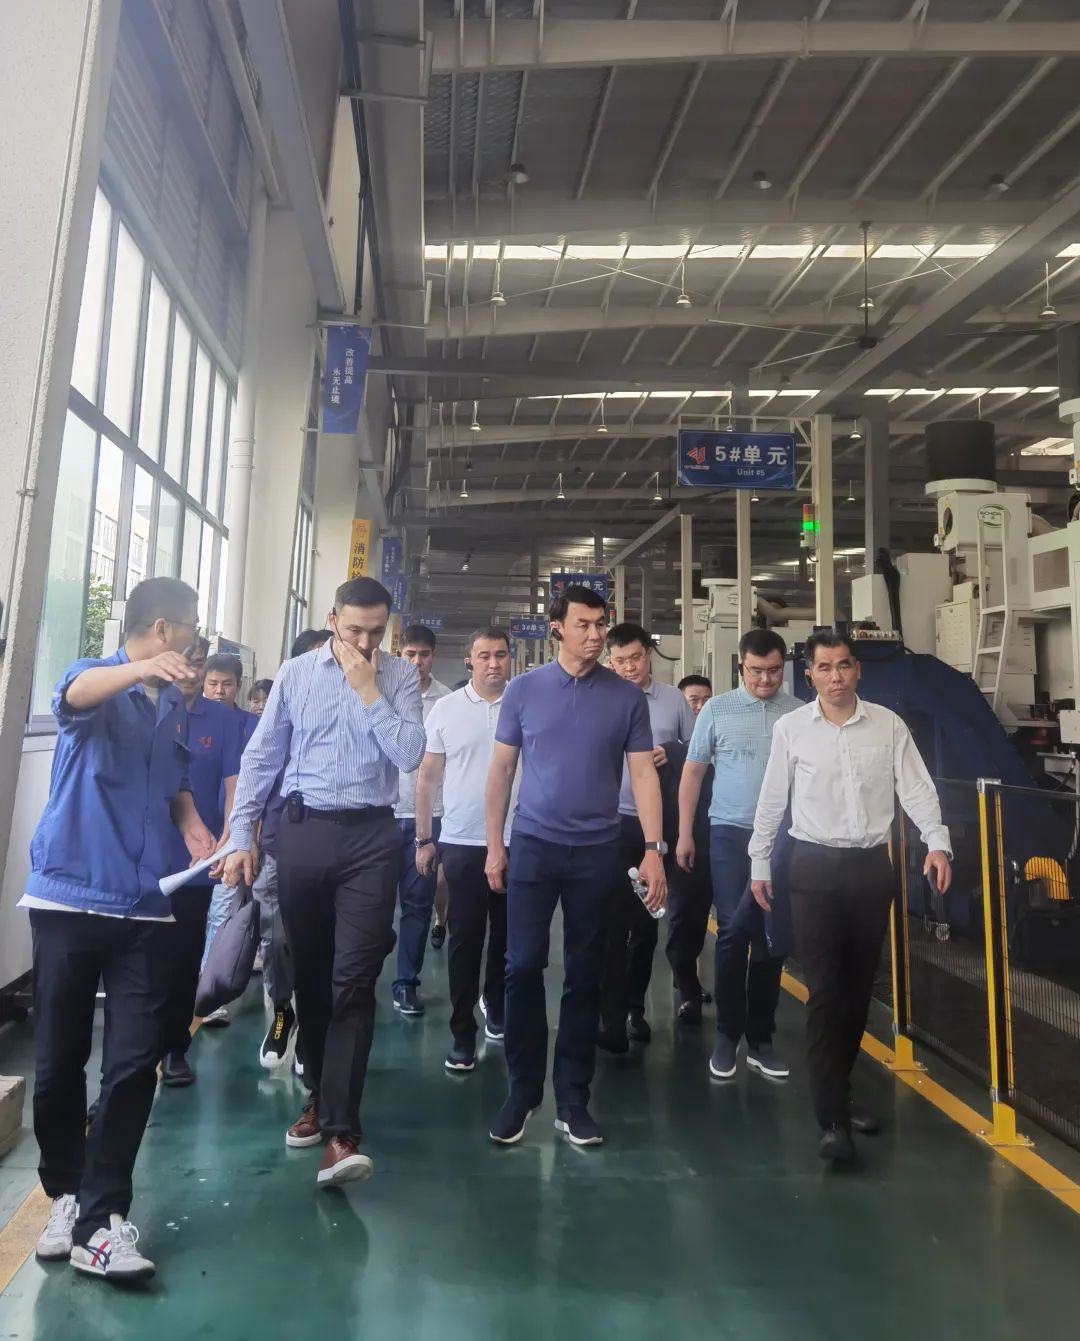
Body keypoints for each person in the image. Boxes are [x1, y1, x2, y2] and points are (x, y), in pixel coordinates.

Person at [23, 577, 215, 1282]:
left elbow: (173, 783)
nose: (197, 640)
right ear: (163, 629)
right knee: (58, 1062)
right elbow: (74, 696)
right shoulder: (97, 678)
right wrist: (139, 670)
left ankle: (101, 1220)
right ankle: (66, 1195)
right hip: (71, 900)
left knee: (133, 1061)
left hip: (142, 906)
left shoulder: (172, 705)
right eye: (191, 627)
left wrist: (194, 829)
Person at [222, 578, 424, 1188]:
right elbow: (263, 756)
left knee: (353, 980)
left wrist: (369, 692)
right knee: (309, 975)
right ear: (333, 619)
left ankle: (340, 1133)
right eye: (355, 629)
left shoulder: (399, 677)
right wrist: (240, 834)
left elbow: (410, 755)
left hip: (371, 838)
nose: (365, 642)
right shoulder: (296, 674)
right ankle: (317, 1091)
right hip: (303, 831)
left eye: (377, 631)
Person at [748, 628, 952, 1163]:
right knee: (825, 990)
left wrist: (937, 843)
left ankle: (839, 1091)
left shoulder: (887, 725)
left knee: (858, 991)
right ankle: (832, 1119)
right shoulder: (793, 729)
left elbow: (916, 788)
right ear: (809, 675)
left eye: (843, 665)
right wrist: (758, 860)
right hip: (813, 867)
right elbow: (772, 799)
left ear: (857, 670)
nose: (835, 676)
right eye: (825, 667)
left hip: (870, 869)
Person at [484, 586, 666, 1148]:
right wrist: (494, 845)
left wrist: (653, 848)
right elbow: (501, 770)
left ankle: (572, 1098)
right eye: (584, 624)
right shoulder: (523, 690)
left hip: (597, 852)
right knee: (522, 966)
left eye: (600, 624)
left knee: (586, 974)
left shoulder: (625, 698)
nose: (595, 634)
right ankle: (521, 1091)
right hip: (534, 846)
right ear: (556, 627)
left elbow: (643, 773)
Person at [677, 630, 800, 1080]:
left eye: (774, 671)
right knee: (731, 931)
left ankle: (760, 1039)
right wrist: (684, 834)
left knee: (771, 937)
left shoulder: (799, 714)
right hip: (729, 833)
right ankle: (727, 1035)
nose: (765, 680)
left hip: (782, 838)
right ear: (740, 668)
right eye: (756, 671)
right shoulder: (717, 709)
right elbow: (693, 773)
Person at [414, 627, 517, 1073]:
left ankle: (496, 1005)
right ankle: (461, 1031)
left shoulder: (524, 704)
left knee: (509, 937)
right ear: (469, 661)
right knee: (465, 938)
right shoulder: (446, 710)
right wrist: (424, 839)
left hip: (519, 839)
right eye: (484, 655)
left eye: (501, 654)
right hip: (462, 841)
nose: (494, 663)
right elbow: (427, 777)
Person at [598, 623, 694, 1051]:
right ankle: (608, 1012)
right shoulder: (601, 697)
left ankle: (634, 1008)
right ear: (609, 661)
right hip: (609, 825)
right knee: (609, 922)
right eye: (619, 661)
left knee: (646, 921)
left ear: (648, 656)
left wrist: (670, 752)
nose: (628, 668)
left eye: (635, 658)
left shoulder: (674, 701)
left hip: (654, 828)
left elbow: (697, 752)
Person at [160, 639, 244, 1086]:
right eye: (186, 664)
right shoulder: (151, 707)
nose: (191, 674)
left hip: (195, 861)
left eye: (198, 665)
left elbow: (234, 784)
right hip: (146, 858)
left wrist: (231, 840)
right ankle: (135, 1056)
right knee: (141, 962)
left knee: (183, 956)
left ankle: (175, 1048)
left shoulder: (223, 720)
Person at [391, 625, 451, 1017]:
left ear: (433, 656)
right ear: (399, 653)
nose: (416, 662)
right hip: (380, 815)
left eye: (423, 654)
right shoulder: (381, 694)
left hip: (429, 819)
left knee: (417, 904)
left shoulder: (447, 702)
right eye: (409, 654)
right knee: (372, 906)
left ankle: (405, 984)